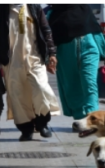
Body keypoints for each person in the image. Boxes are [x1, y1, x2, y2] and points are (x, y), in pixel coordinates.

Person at [0, 4, 60, 141]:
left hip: (35, 58)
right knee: (18, 95)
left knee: (41, 88)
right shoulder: (3, 9)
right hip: (11, 61)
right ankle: (26, 129)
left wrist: (52, 53)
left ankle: (42, 123)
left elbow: (46, 30)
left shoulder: (33, 7)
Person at [47, 4, 105, 128]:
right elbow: (47, 37)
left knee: (89, 82)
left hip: (89, 48)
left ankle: (93, 116)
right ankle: (80, 118)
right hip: (64, 53)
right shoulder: (53, 13)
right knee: (71, 85)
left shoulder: (84, 8)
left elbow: (95, 30)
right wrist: (49, 57)